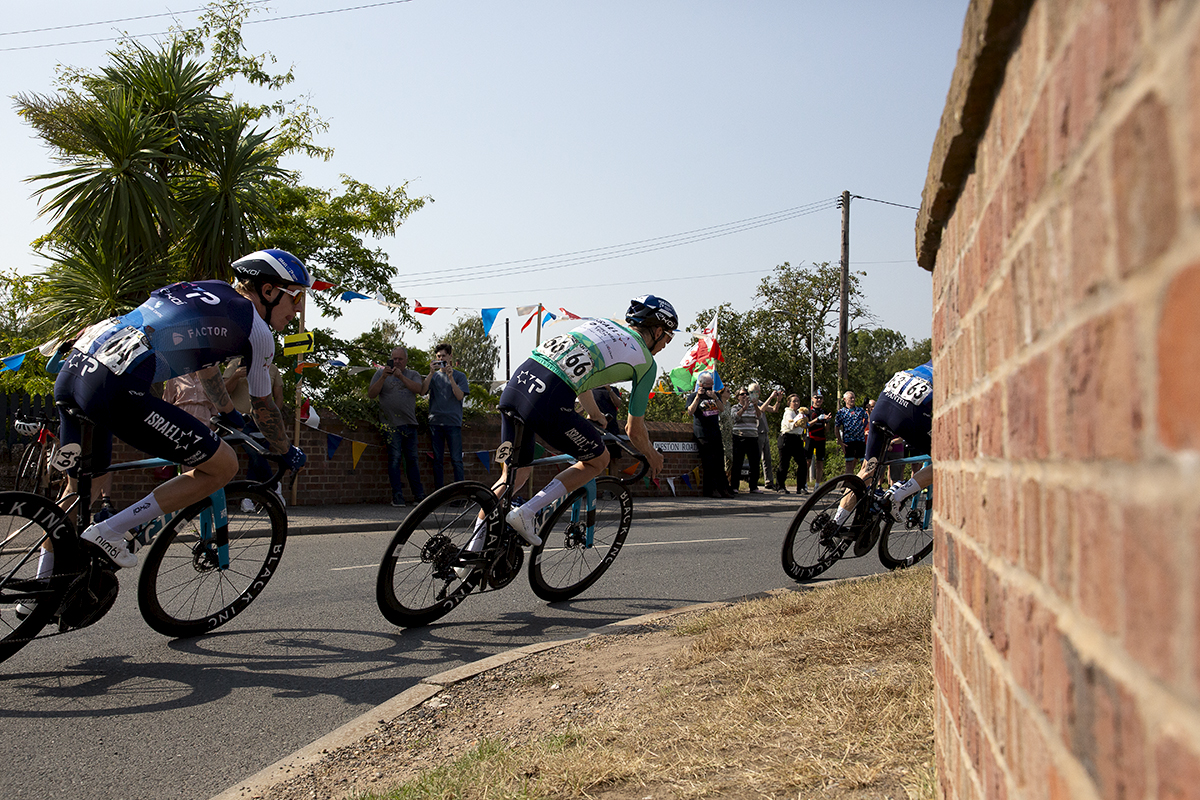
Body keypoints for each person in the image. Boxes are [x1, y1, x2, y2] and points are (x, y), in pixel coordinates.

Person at [52, 248, 310, 571]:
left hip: (77, 366)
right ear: (269, 291)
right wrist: (286, 451)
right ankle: (112, 531)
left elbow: (207, 369)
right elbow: (263, 406)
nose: (297, 308)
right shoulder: (257, 330)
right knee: (223, 466)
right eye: (295, 296)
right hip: (115, 385)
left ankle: (39, 592)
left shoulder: (210, 291)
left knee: (77, 492)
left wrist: (229, 413)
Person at [486, 295, 674, 548]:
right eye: (668, 339)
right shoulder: (646, 363)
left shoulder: (601, 324)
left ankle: (468, 555)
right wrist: (651, 454)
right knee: (599, 460)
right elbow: (634, 430)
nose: (665, 346)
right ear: (659, 330)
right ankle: (527, 512)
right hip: (547, 398)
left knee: (513, 477)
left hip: (517, 384)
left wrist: (595, 415)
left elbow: (579, 375)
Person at [832, 361, 934, 526]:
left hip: (882, 407)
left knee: (866, 470)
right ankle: (896, 497)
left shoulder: (920, 367)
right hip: (907, 414)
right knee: (946, 461)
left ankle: (836, 523)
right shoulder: (952, 370)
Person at [223, 354, 286, 508]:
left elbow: (278, 396)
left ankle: (248, 497)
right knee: (255, 452)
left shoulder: (273, 369)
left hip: (262, 421)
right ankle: (274, 485)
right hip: (240, 420)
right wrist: (236, 375)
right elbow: (223, 391)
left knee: (257, 456)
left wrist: (273, 416)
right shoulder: (234, 364)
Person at [368, 345, 427, 507]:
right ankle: (397, 496)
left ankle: (418, 495)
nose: (397, 361)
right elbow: (371, 394)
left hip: (410, 424)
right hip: (390, 425)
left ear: (406, 360)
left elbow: (419, 389)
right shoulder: (380, 373)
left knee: (412, 460)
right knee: (394, 460)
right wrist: (383, 378)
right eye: (394, 359)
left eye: (400, 359)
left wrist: (401, 377)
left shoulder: (412, 374)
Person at [421, 342, 469, 488]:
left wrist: (450, 377)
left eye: (443, 356)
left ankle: (460, 494)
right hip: (436, 422)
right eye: (438, 356)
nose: (441, 359)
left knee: (456, 459)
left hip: (453, 423)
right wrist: (430, 372)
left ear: (450, 356)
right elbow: (422, 391)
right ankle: (438, 494)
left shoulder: (460, 376)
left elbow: (460, 396)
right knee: (437, 460)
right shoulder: (434, 376)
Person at [687, 371, 733, 498]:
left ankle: (723, 488)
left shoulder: (715, 395)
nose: (710, 388)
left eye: (712, 385)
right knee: (709, 463)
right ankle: (711, 490)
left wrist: (716, 398)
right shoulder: (693, 396)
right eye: (708, 385)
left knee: (719, 462)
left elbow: (722, 409)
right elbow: (690, 411)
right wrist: (698, 397)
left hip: (715, 432)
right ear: (701, 384)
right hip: (702, 433)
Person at [730, 387, 764, 493]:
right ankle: (735, 486)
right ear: (738, 397)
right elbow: (735, 418)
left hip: (753, 437)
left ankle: (753, 486)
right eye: (742, 394)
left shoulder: (754, 407)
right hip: (739, 436)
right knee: (737, 462)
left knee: (754, 463)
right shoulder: (735, 407)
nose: (745, 396)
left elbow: (759, 416)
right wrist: (744, 408)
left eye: (746, 394)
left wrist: (754, 404)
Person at [776, 393, 809, 494]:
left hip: (796, 439)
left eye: (797, 401)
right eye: (794, 401)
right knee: (784, 463)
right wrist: (798, 422)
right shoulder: (788, 413)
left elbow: (805, 425)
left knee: (803, 463)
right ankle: (780, 486)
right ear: (789, 403)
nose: (796, 403)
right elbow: (791, 426)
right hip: (786, 438)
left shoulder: (799, 413)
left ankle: (801, 487)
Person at [751, 383, 783, 489]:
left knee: (767, 459)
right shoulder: (751, 404)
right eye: (753, 392)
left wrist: (778, 400)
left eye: (757, 391)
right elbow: (761, 410)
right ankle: (754, 482)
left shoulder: (760, 402)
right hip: (756, 432)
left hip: (764, 432)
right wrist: (770, 397)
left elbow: (774, 409)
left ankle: (769, 481)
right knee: (756, 458)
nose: (756, 394)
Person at [835, 390, 870, 475]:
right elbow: (836, 427)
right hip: (848, 441)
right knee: (849, 464)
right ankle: (848, 484)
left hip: (860, 440)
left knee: (864, 463)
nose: (853, 400)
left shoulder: (860, 410)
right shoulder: (841, 412)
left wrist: (869, 410)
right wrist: (839, 440)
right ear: (845, 399)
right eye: (851, 398)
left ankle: (864, 483)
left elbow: (868, 419)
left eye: (854, 398)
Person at [804, 390, 831, 487]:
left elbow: (827, 430)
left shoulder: (824, 411)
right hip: (810, 438)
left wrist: (827, 421)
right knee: (808, 462)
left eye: (820, 398)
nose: (818, 400)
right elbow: (806, 425)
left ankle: (817, 484)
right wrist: (817, 419)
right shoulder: (808, 411)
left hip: (821, 439)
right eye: (816, 398)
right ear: (812, 399)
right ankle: (805, 483)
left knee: (820, 462)